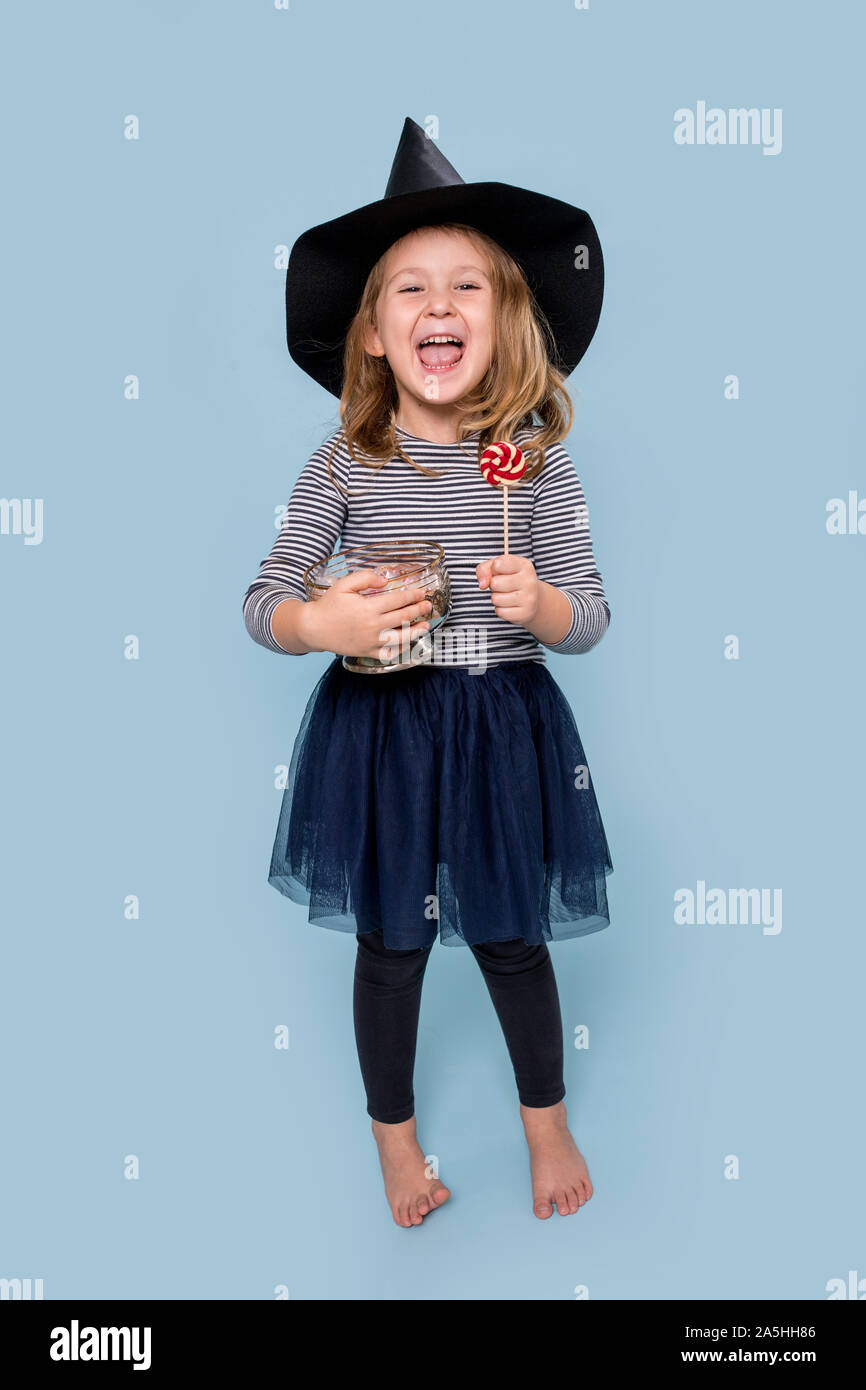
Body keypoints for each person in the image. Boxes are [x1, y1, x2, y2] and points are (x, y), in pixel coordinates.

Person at [242, 117, 614, 1228]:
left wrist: (537, 604)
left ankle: (545, 1124)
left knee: (511, 934)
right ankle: (394, 1145)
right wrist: (322, 621)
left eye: (466, 288)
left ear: (504, 329)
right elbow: (263, 596)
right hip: (381, 729)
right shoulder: (341, 463)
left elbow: (590, 614)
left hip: (501, 721)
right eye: (408, 289)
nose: (438, 307)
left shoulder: (532, 466)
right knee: (390, 941)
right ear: (369, 334)